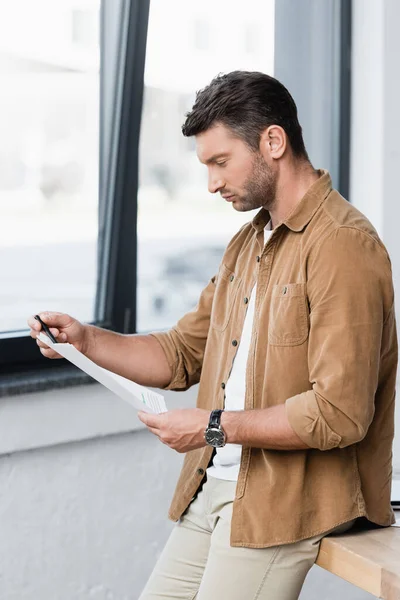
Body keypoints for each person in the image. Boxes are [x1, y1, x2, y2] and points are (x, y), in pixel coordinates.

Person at [28, 71, 397, 600]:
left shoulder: (342, 246)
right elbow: (181, 355)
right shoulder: (247, 246)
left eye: (220, 162)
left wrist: (213, 429)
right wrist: (86, 341)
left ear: (273, 141)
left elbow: (339, 412)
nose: (211, 184)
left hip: (286, 501)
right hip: (215, 485)